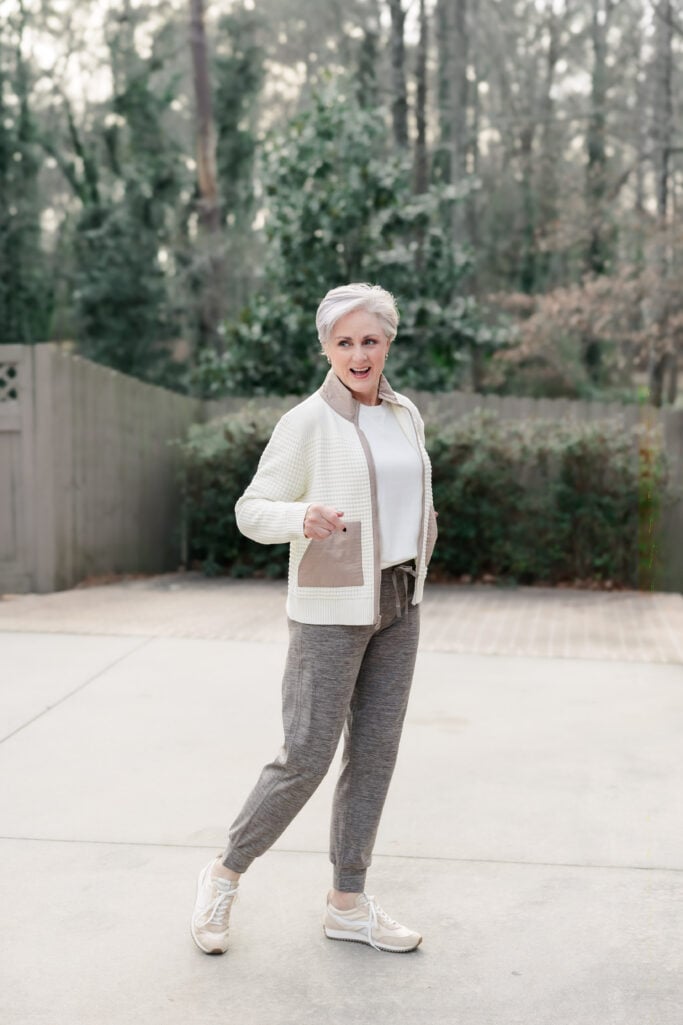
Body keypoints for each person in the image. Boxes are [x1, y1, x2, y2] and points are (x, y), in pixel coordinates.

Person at [190, 282, 437, 956]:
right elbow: (251, 509)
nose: (358, 354)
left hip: (399, 601)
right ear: (326, 347)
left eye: (370, 340)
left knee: (374, 755)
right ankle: (224, 873)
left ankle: (347, 903)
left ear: (388, 342)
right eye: (344, 341)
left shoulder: (405, 414)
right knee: (305, 755)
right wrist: (302, 516)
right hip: (331, 608)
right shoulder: (305, 422)